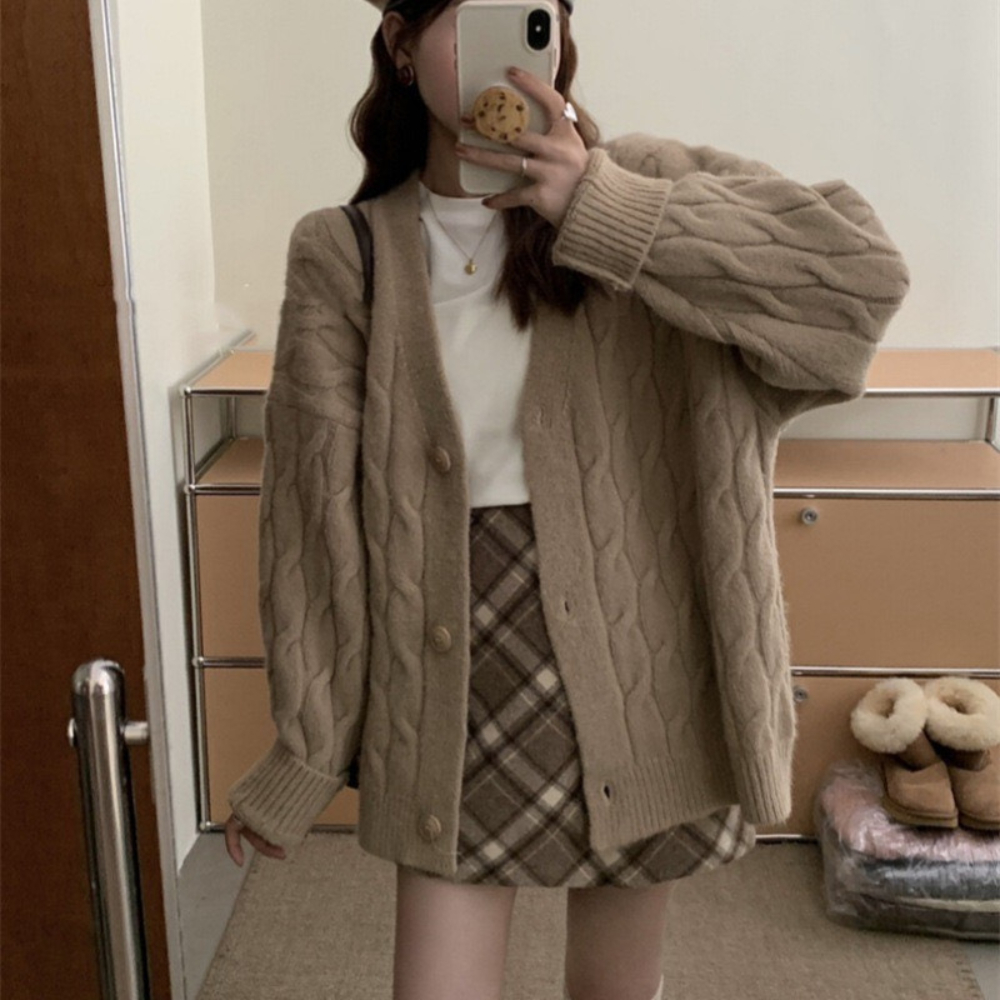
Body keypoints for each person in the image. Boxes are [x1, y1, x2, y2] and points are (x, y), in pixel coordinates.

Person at [224, 1, 911, 998]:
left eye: (534, 11)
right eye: (476, 13)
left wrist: (605, 208)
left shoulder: (641, 182)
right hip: (448, 683)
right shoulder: (346, 252)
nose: (510, 40)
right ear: (402, 44)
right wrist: (306, 745)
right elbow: (313, 521)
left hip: (639, 676)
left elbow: (859, 284)